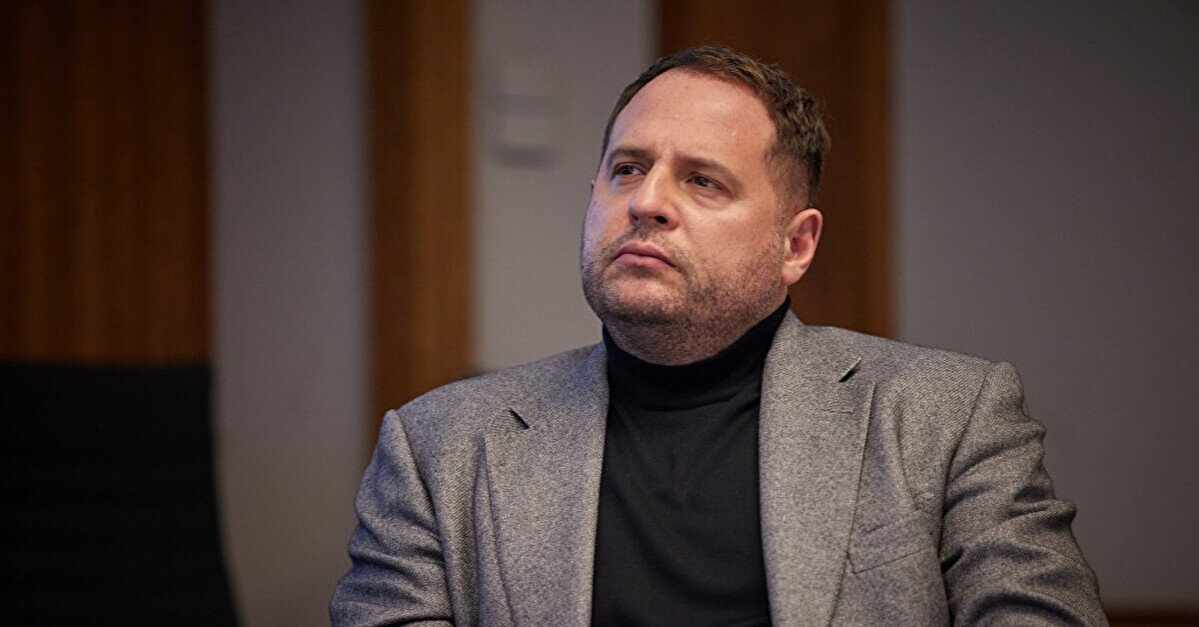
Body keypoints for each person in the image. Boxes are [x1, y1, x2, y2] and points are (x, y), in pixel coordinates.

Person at [331, 45, 1106, 626]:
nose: (647, 202)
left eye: (702, 180)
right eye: (626, 168)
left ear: (794, 245)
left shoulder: (948, 417)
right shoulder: (438, 448)